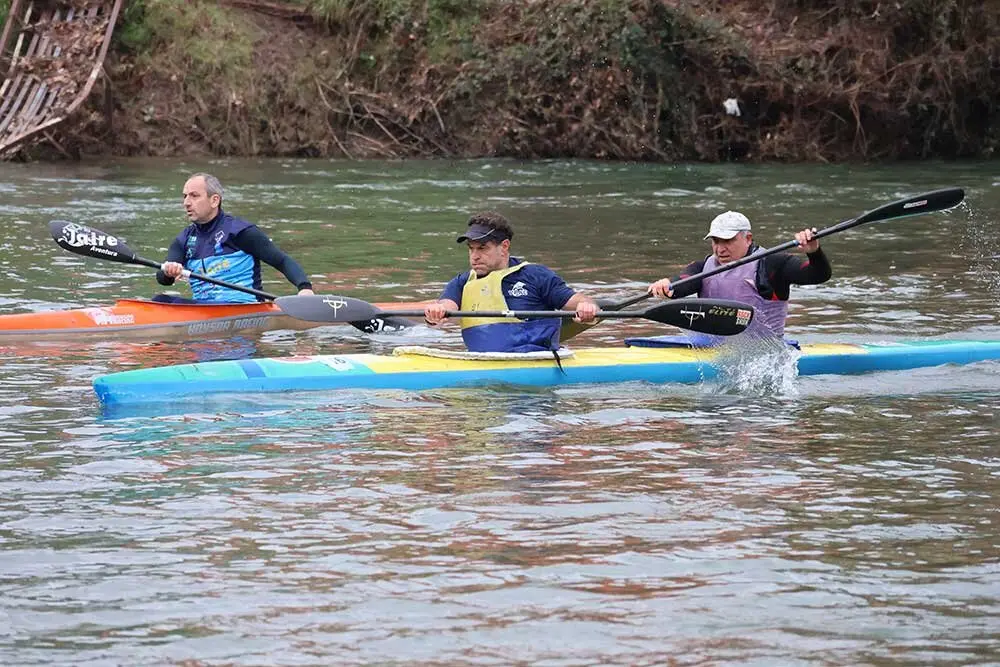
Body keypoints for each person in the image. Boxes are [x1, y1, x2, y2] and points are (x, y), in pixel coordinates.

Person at [424, 211, 598, 352]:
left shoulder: (535, 275)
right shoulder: (462, 281)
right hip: (483, 367)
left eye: (483, 248)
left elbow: (580, 302)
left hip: (535, 367)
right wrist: (437, 312)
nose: (475, 256)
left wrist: (586, 307)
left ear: (504, 246)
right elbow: (447, 306)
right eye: (471, 249)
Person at [648, 210, 831, 341]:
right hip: (709, 347)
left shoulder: (773, 263)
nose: (720, 249)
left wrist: (814, 251)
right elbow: (684, 282)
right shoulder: (705, 266)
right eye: (716, 241)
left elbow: (817, 275)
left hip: (763, 354)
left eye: (727, 241)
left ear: (748, 238)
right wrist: (666, 286)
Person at [155, 173, 315, 303]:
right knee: (161, 301)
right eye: (185, 196)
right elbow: (163, 279)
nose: (186, 203)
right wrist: (169, 271)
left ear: (214, 200)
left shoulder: (240, 231)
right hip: (204, 310)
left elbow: (281, 261)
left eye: (194, 196)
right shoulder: (183, 240)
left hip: (244, 307)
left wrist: (305, 288)